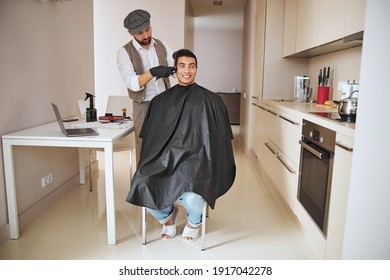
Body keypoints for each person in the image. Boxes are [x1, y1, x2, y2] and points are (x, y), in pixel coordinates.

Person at [126, 49, 236, 242]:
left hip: (198, 161)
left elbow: (220, 142)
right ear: (175, 70)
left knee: (195, 197)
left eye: (191, 66)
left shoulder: (212, 101)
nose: (187, 71)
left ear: (197, 69)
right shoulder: (160, 102)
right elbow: (151, 141)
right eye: (182, 66)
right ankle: (168, 217)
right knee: (142, 183)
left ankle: (194, 221)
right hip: (166, 160)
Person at [117, 9, 175, 163]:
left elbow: (175, 68)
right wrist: (153, 72)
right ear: (130, 32)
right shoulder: (124, 52)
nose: (146, 36)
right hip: (143, 108)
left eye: (148, 30)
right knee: (145, 152)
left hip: (166, 105)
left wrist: (179, 67)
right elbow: (133, 84)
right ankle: (144, 187)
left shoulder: (161, 45)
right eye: (140, 33)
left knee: (168, 148)